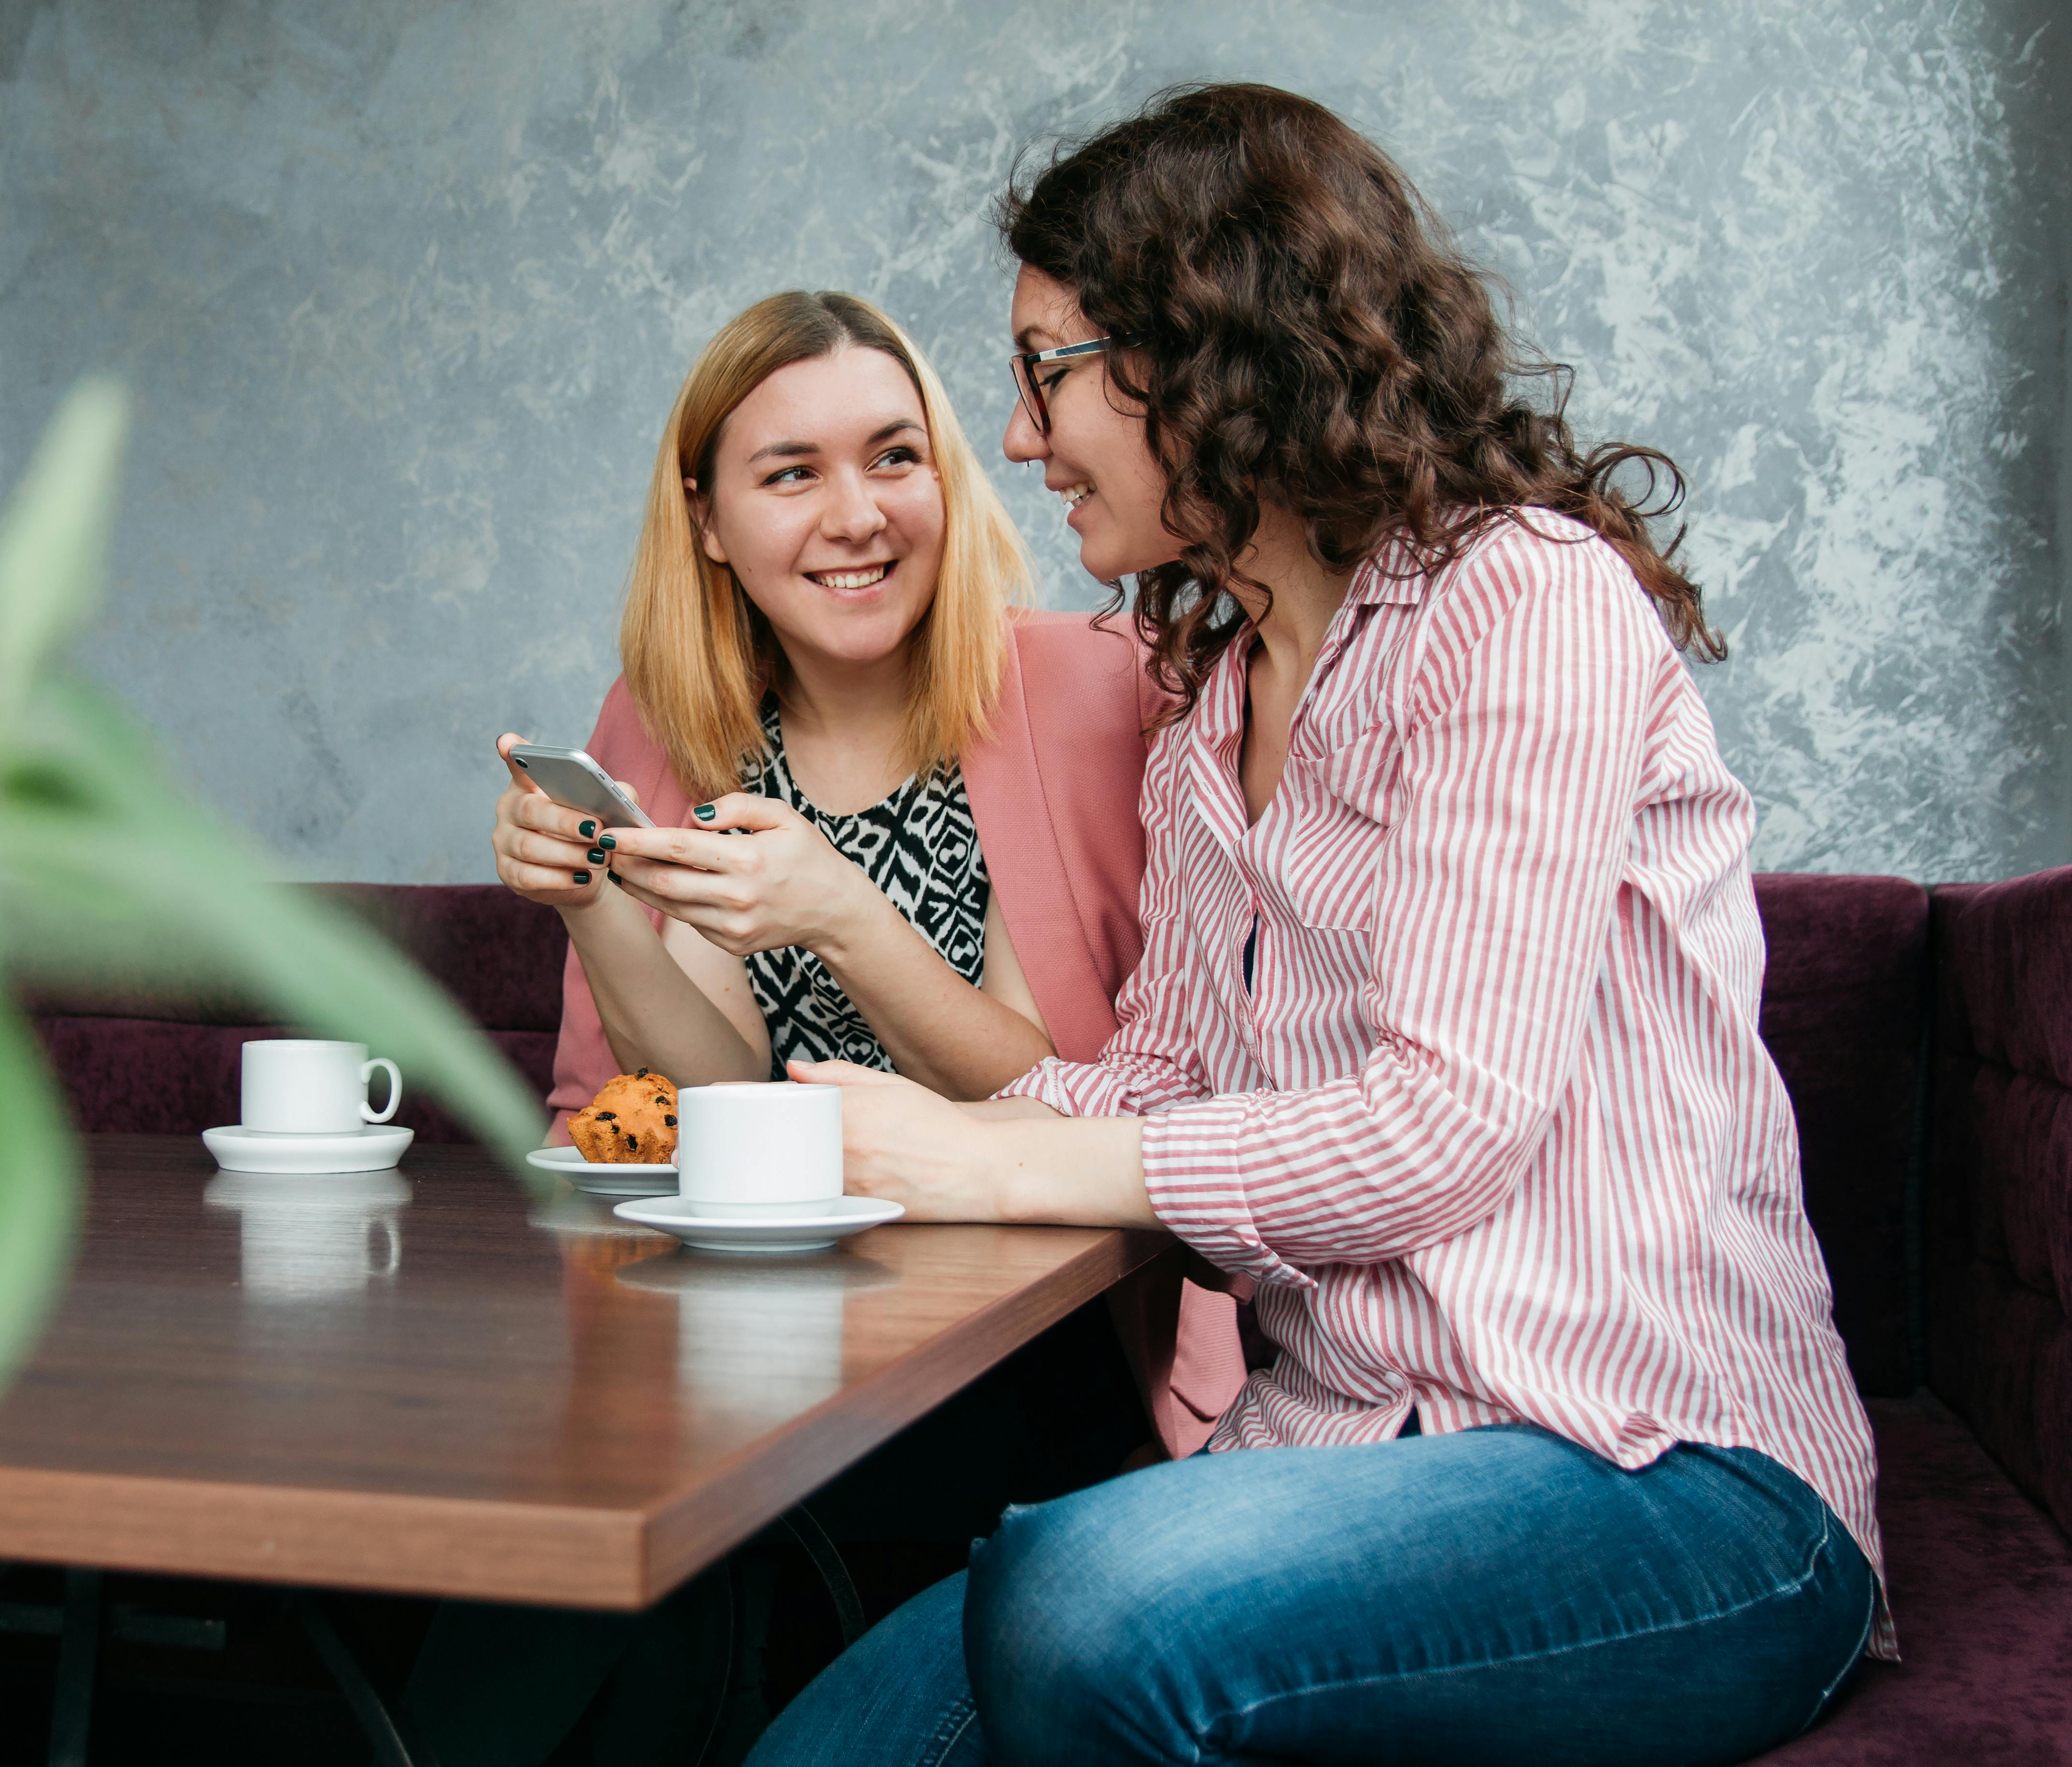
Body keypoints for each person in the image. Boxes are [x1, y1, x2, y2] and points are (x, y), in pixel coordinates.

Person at [750, 84, 1888, 1767]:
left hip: (1669, 1475)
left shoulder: (1521, 598)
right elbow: (1164, 1082)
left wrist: (979, 1161)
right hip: (1331, 1447)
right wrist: (869, 1137)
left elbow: (1441, 1125)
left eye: (1047, 368)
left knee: (1084, 1599)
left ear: (1212, 349)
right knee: (815, 1747)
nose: (1014, 436)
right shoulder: (1213, 711)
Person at [492, 289, 1245, 1453]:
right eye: (792, 475)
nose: (859, 518)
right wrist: (593, 905)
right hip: (747, 1324)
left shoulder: (1100, 688)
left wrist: (843, 915)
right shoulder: (664, 723)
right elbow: (719, 1093)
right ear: (707, 522)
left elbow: (1057, 1105)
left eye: (896, 459)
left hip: (1040, 1343)